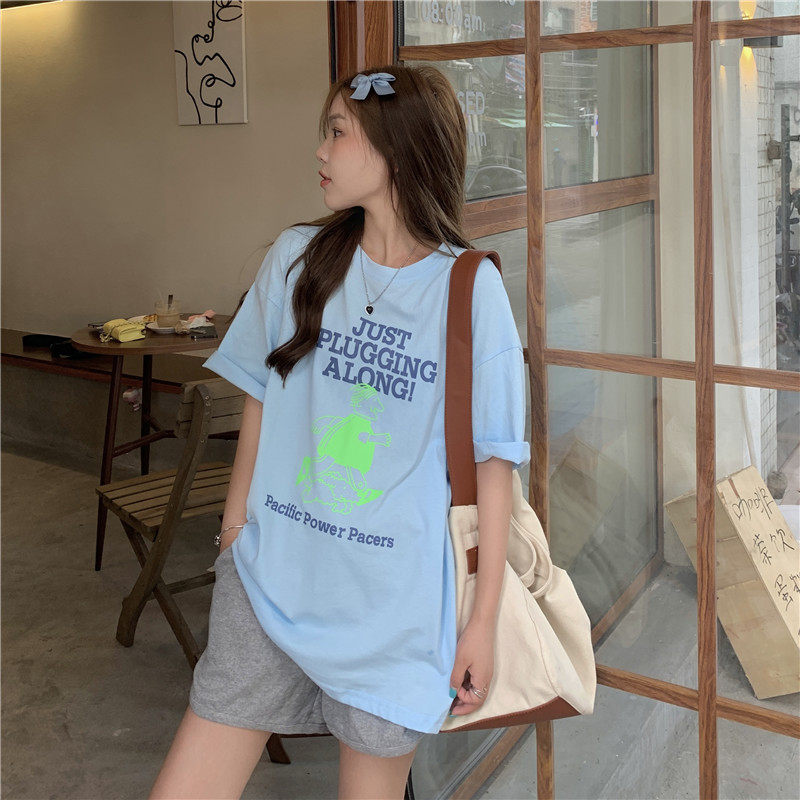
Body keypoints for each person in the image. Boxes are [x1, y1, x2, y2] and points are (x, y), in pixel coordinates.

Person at [149, 64, 530, 800]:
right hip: (269, 579)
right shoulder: (298, 259)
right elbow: (261, 397)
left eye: (336, 133)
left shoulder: (469, 288)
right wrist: (235, 529)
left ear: (395, 149)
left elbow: (495, 465)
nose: (320, 152)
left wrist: (482, 622)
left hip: (393, 610)